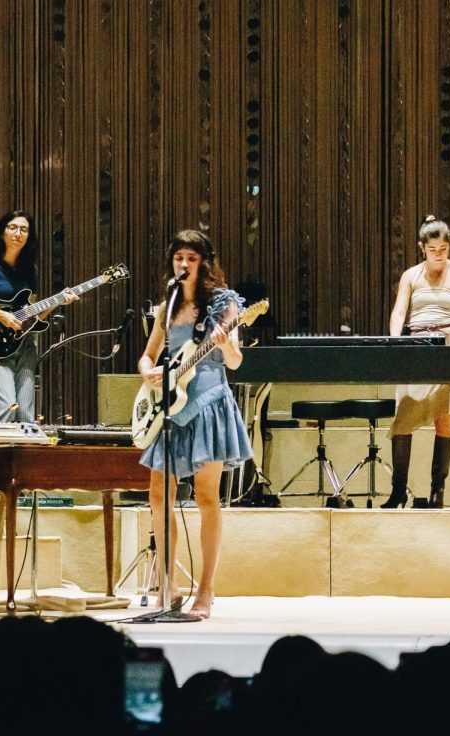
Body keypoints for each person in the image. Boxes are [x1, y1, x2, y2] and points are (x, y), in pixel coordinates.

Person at [137, 229, 252, 619]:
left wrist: (226, 344)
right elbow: (148, 355)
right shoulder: (166, 308)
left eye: (191, 258)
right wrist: (147, 372)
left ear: (204, 263)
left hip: (208, 403)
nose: (183, 265)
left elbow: (235, 362)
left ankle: (206, 590)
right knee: (158, 495)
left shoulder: (224, 303)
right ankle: (166, 585)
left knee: (206, 498)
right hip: (168, 407)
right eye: (178, 258)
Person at [385, 215, 450, 508]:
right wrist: (396, 340)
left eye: (444, 249)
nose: (439, 255)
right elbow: (399, 311)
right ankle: (398, 491)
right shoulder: (410, 276)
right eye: (433, 249)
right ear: (422, 248)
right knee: (403, 419)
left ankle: (437, 492)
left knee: (445, 420)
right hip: (417, 346)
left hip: (448, 347)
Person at [0, 211, 76, 423]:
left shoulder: (28, 270)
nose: (18, 233)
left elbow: (31, 316)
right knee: (5, 408)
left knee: (26, 416)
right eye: (12, 227)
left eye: (24, 230)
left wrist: (57, 301)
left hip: (24, 347)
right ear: (2, 232)